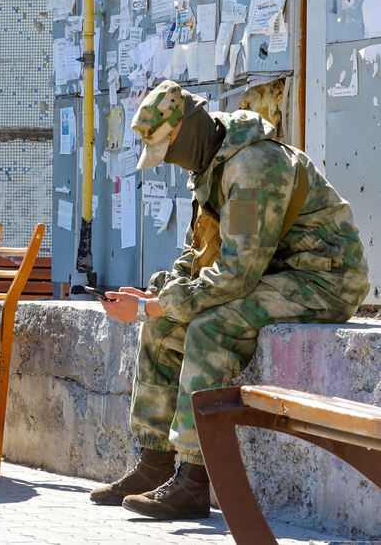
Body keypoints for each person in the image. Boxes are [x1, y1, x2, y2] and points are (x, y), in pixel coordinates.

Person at [91, 80, 369, 519]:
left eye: (168, 148)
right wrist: (159, 294)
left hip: (323, 280)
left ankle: (195, 480)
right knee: (162, 327)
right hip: (272, 275)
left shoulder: (253, 167)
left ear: (187, 128)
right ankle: (154, 463)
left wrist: (154, 305)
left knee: (209, 329)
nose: (170, 162)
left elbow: (237, 275)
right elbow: (201, 253)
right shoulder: (210, 166)